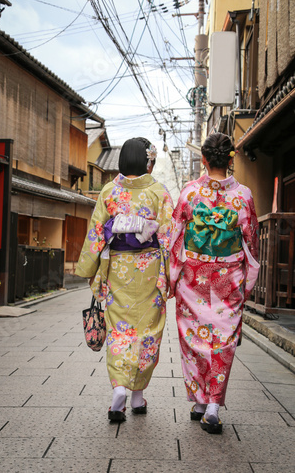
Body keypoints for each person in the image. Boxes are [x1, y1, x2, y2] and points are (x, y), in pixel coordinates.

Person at [76, 137, 173, 422]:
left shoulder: (109, 190)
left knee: (119, 331)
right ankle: (138, 395)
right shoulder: (159, 191)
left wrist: (88, 269)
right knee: (148, 331)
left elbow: (96, 234)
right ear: (147, 161)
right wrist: (172, 275)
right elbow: (168, 237)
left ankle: (120, 390)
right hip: (150, 270)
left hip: (117, 268)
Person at [169, 133, 259, 434]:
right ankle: (211, 405)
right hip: (228, 277)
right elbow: (251, 242)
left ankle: (200, 401)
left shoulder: (190, 193)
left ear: (204, 159)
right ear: (230, 159)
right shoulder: (243, 196)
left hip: (193, 277)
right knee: (222, 341)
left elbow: (176, 238)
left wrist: (171, 277)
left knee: (193, 338)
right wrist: (246, 283)